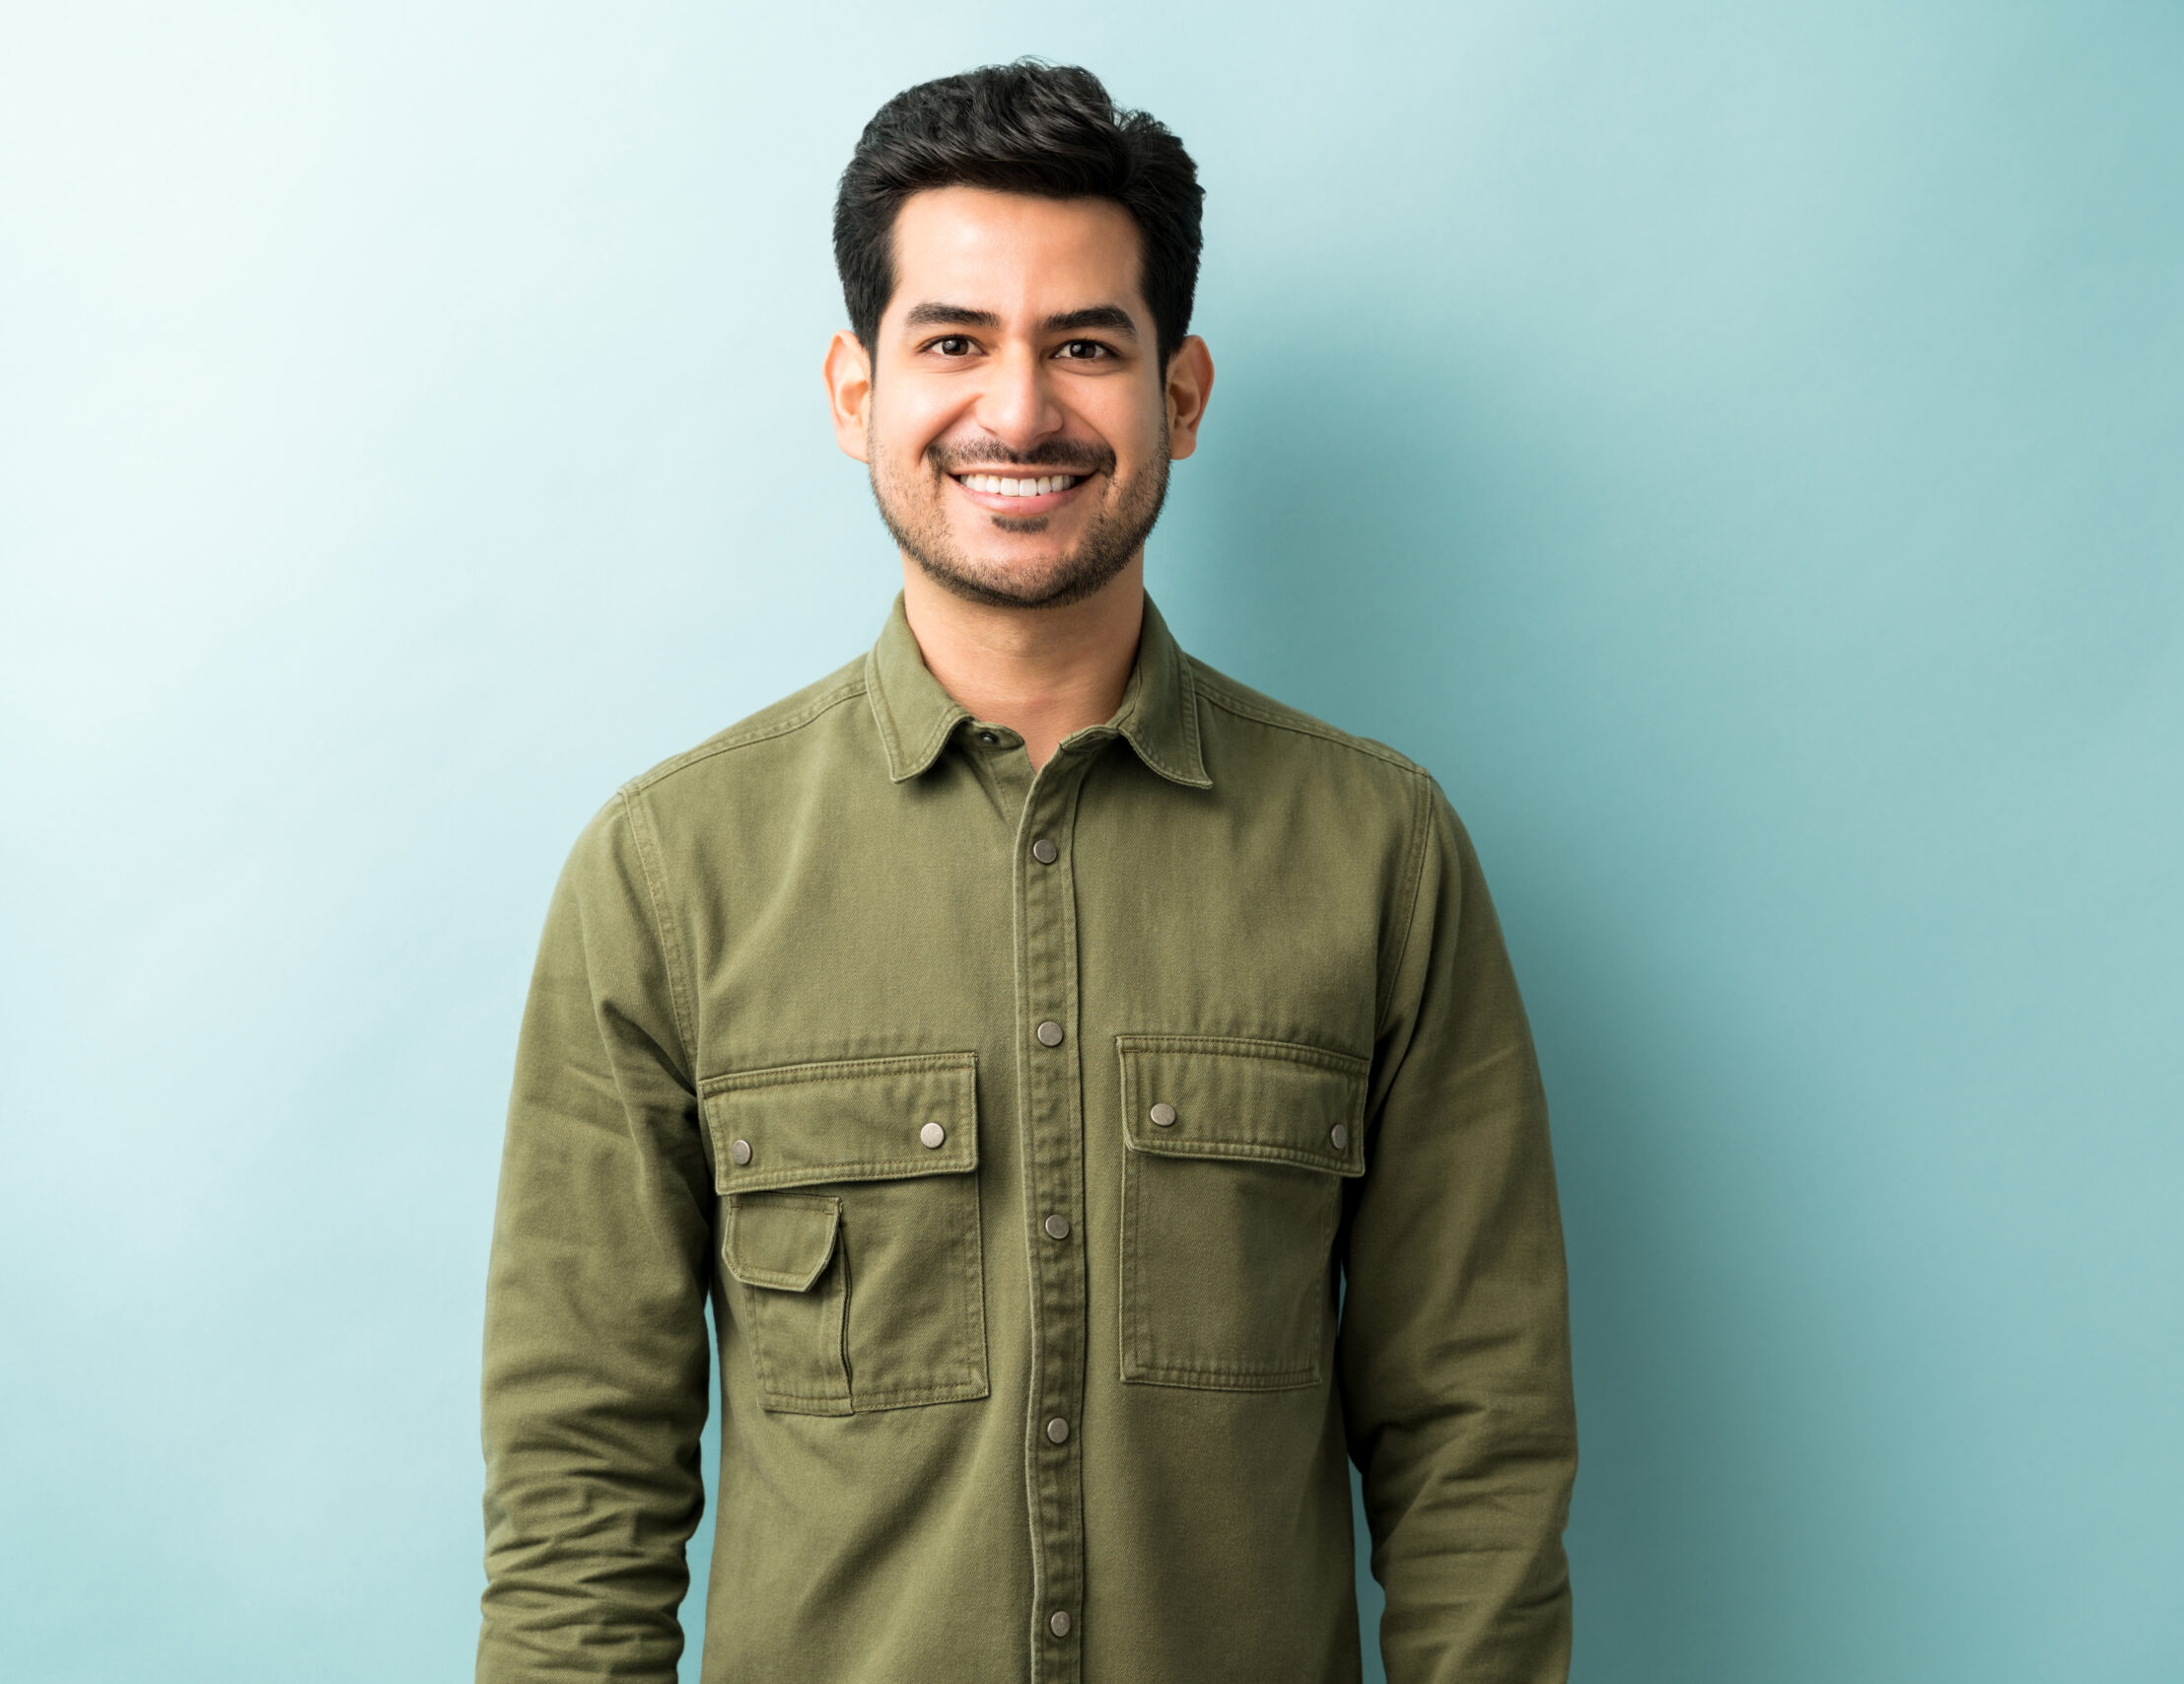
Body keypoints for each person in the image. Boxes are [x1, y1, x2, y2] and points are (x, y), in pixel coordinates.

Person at [477, 60, 1576, 1684]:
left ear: (1179, 396)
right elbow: (583, 1489)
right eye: (953, 342)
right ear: (856, 391)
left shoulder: (1379, 855)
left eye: (1084, 345)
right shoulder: (665, 877)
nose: (1020, 410)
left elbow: (1476, 1442)